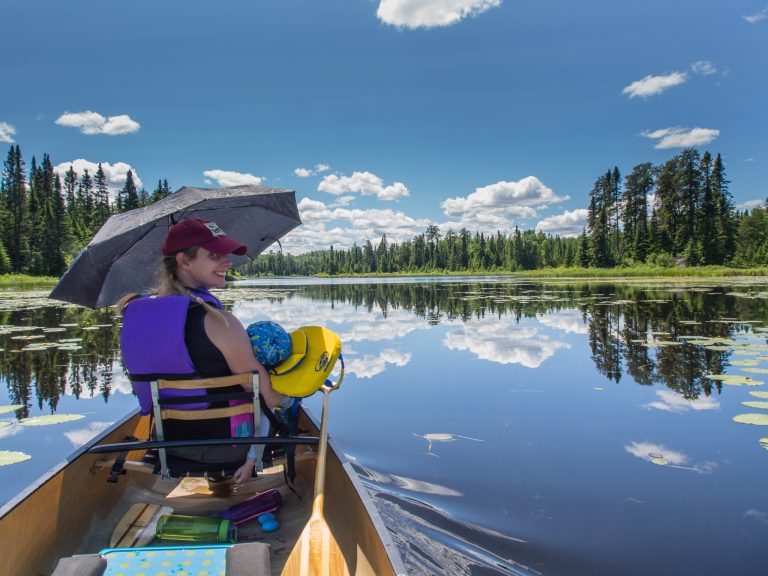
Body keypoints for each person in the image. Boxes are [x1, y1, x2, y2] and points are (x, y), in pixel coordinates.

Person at [118, 218, 285, 484]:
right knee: (286, 402)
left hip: (167, 446)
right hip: (229, 450)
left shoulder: (134, 316)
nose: (228, 262)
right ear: (184, 261)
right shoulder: (222, 323)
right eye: (215, 256)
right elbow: (271, 399)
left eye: (226, 254)